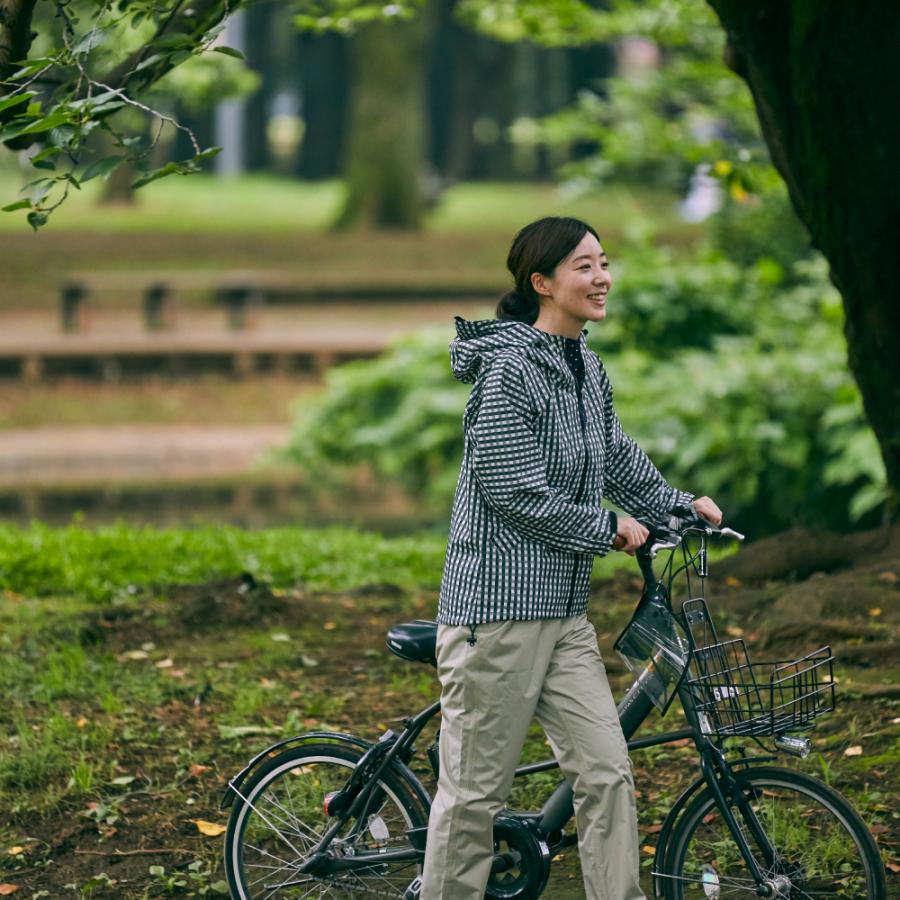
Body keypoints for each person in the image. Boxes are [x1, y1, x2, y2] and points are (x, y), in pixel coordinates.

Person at [414, 216, 722, 900]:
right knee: (473, 799)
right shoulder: (509, 372)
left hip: (562, 614)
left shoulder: (583, 365)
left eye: (604, 262)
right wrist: (604, 526)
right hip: (497, 617)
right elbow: (514, 488)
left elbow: (613, 456)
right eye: (584, 266)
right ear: (542, 283)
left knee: (607, 774)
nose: (602, 276)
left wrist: (678, 505)